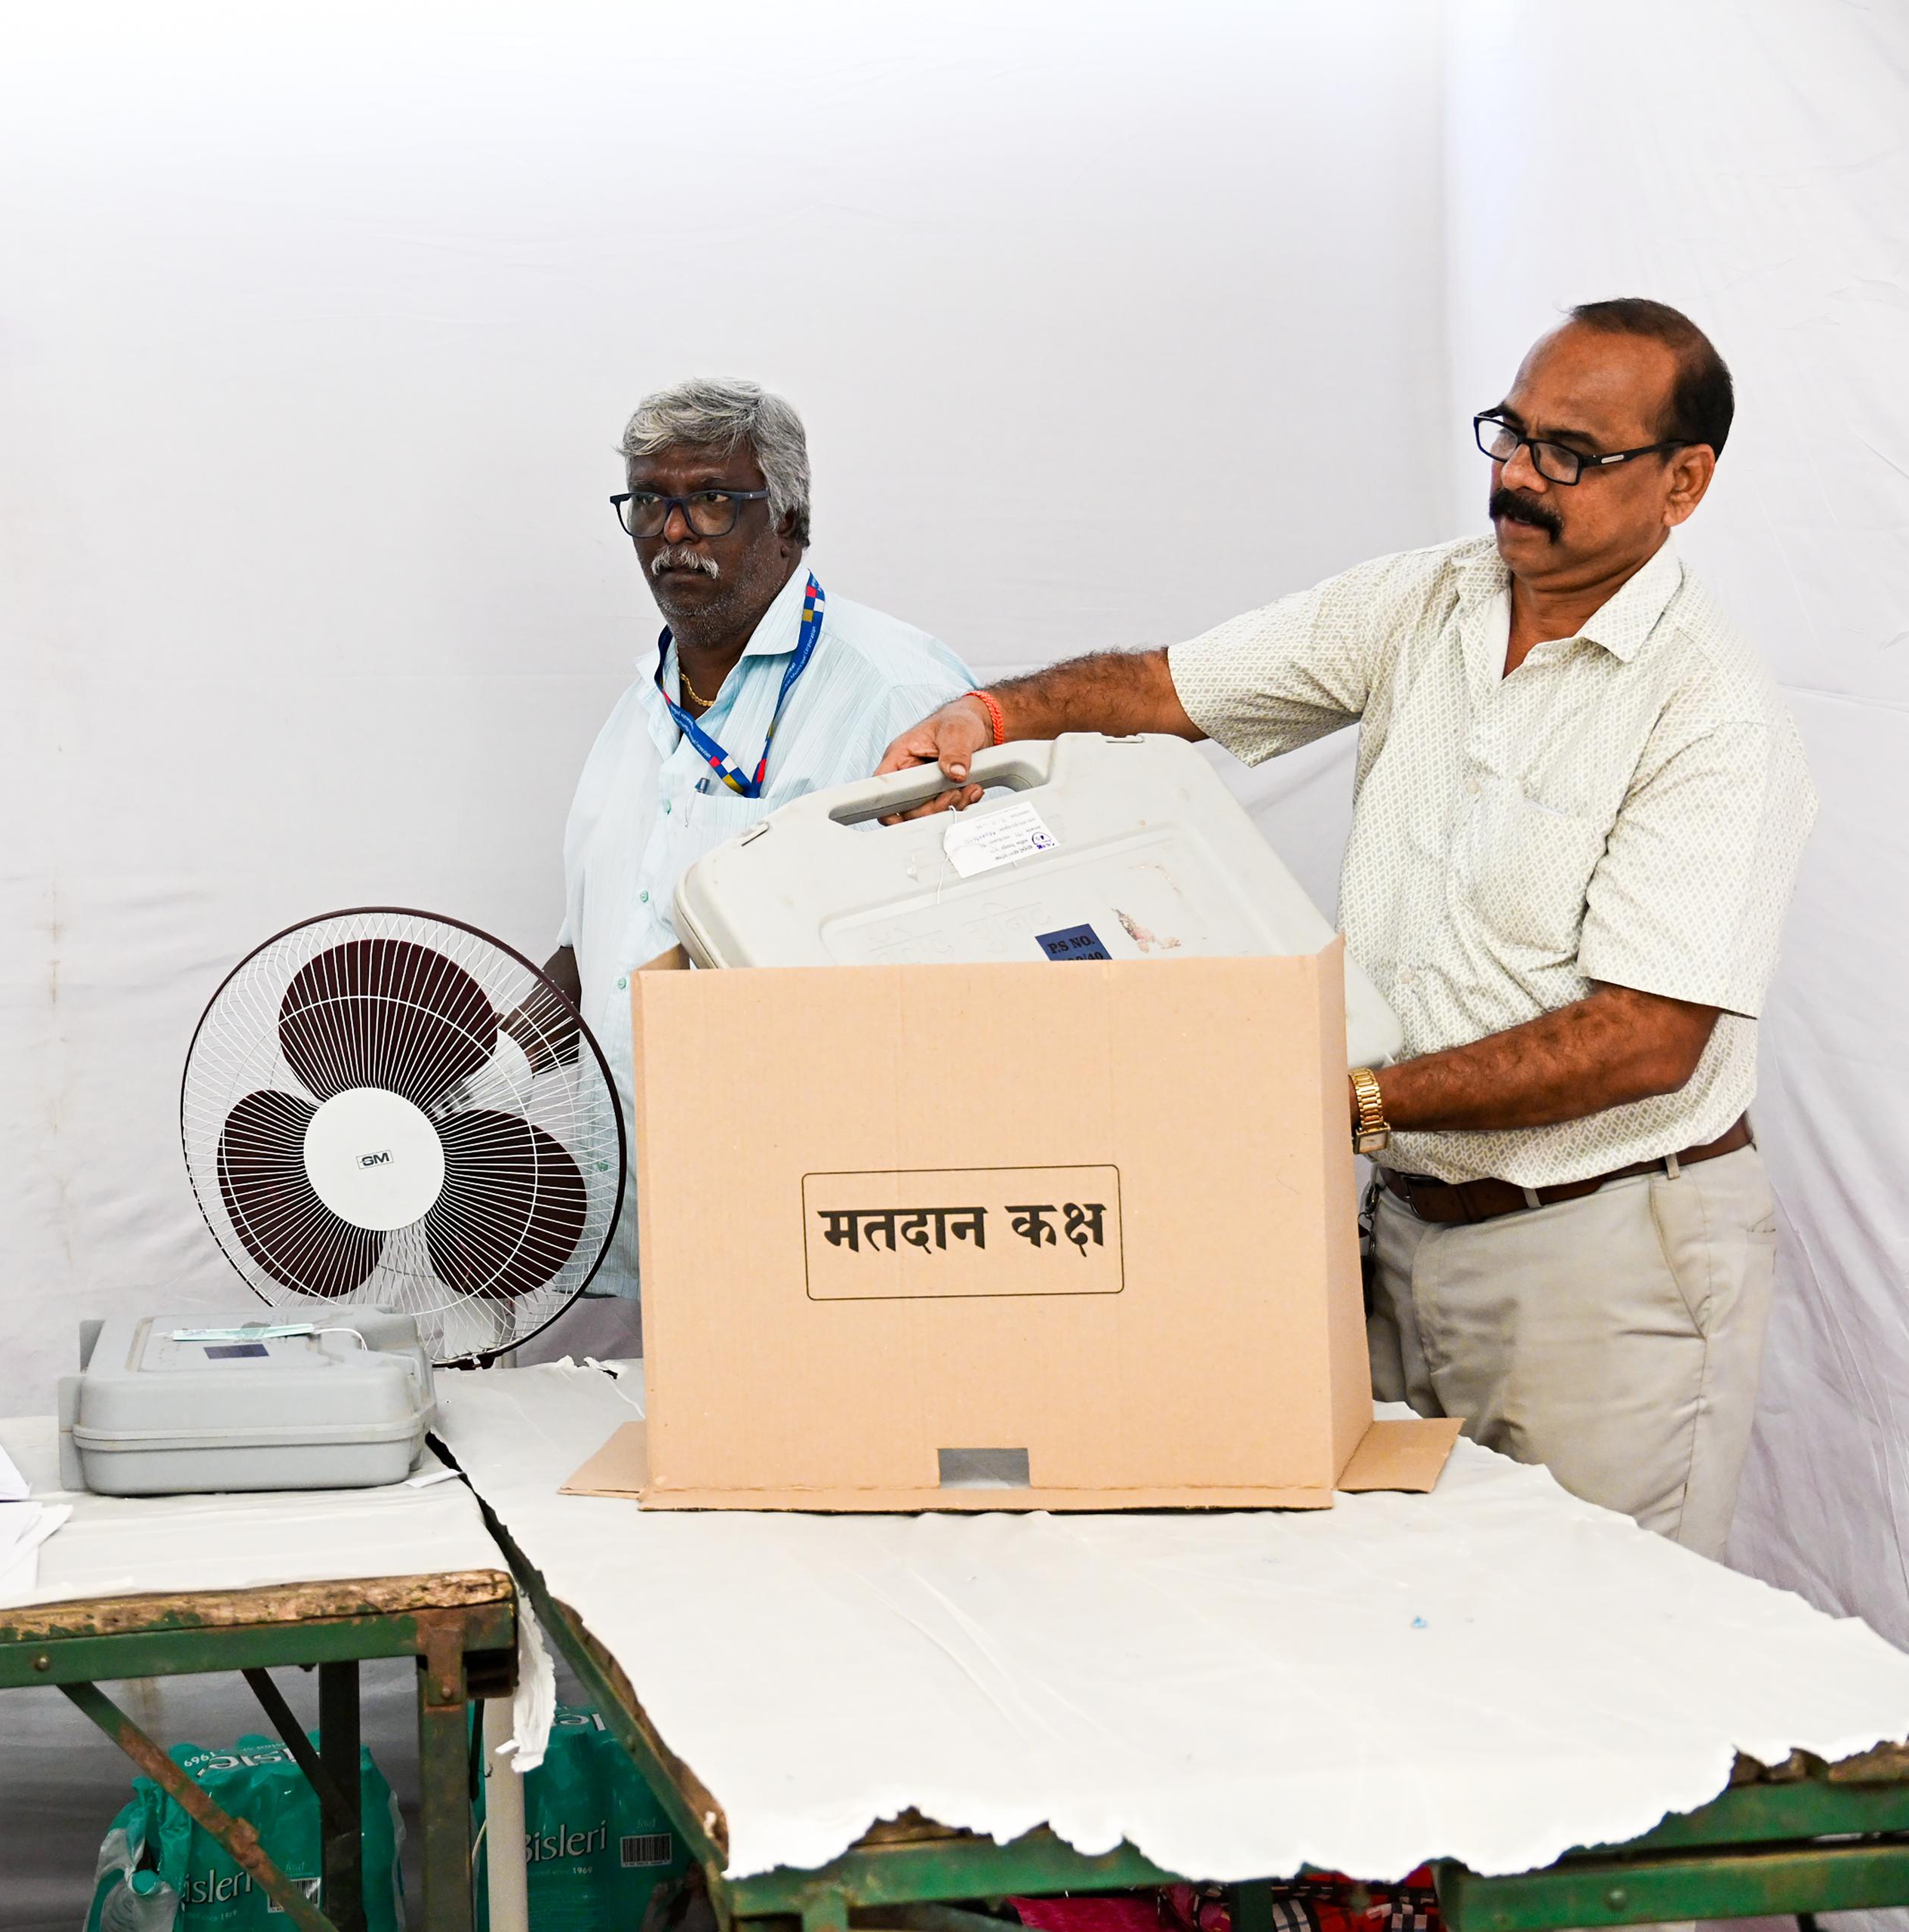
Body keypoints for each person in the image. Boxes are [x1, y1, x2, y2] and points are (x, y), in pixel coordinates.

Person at [875, 300, 1813, 1558]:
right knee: (1400, 1608)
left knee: (1593, 1648)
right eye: (1510, 434)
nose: (1518, 479)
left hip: (1605, 1259)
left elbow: (1648, 1038)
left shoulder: (1712, 710)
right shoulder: (1425, 603)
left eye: (1570, 455)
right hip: (1408, 1230)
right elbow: (1173, 687)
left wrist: (1344, 1105)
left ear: (1684, 482)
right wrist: (992, 713)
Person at [530, 380, 976, 1348]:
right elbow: (600, 939)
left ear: (791, 521)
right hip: (626, 1236)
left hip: (810, 1221)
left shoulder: (894, 689)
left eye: (711, 500)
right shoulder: (643, 706)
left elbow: (970, 953)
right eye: (648, 501)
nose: (673, 531)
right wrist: (457, 1080)